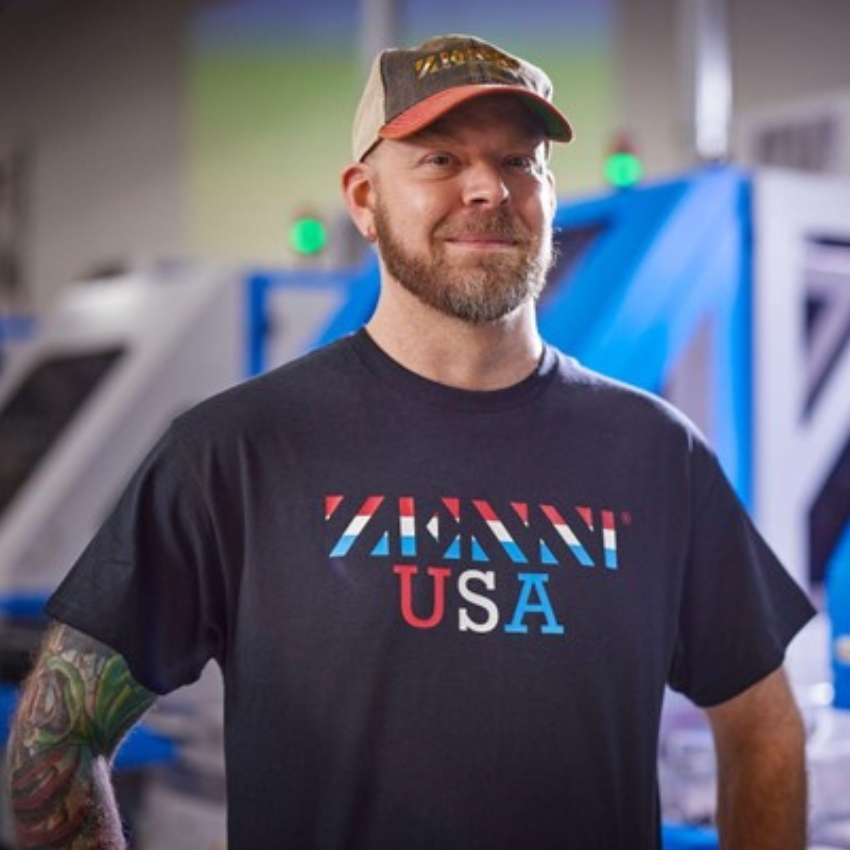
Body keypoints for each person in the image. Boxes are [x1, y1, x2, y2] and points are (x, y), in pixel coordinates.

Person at [8, 33, 815, 850]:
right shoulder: (236, 451)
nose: (488, 188)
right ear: (364, 199)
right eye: (440, 160)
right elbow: (56, 740)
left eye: (519, 161)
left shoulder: (656, 455)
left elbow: (764, 728)